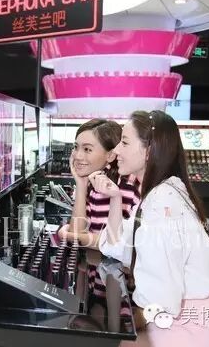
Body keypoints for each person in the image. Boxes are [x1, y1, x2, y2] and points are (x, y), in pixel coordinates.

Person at [93, 110, 209, 346]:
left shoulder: (163, 203)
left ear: (149, 151)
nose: (116, 150)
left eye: (125, 142)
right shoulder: (159, 194)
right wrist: (115, 198)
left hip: (188, 327)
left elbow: (163, 298)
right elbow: (115, 246)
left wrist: (127, 321)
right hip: (178, 318)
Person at [57, 119, 140, 313]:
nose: (78, 156)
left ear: (110, 155)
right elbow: (79, 230)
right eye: (76, 147)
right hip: (104, 280)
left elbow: (111, 244)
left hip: (124, 295)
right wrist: (81, 185)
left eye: (87, 149)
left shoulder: (121, 187)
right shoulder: (96, 183)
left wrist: (69, 235)